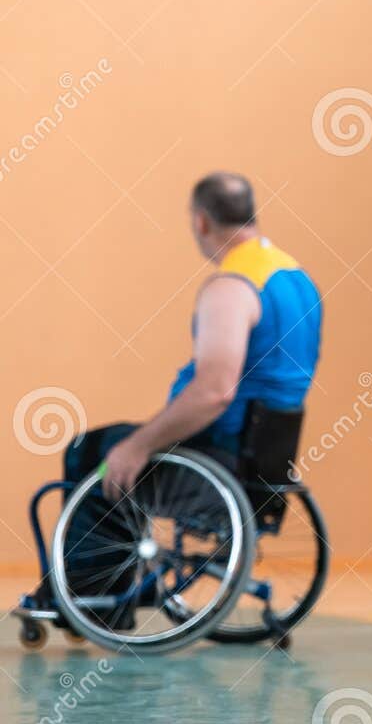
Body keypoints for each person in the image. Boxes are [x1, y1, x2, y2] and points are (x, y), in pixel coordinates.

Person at [39, 172, 322, 620]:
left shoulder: (232, 287)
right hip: (263, 460)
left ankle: (92, 605)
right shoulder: (295, 278)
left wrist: (138, 446)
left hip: (219, 459)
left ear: (202, 222)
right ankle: (101, 591)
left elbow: (214, 393)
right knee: (119, 449)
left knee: (94, 453)